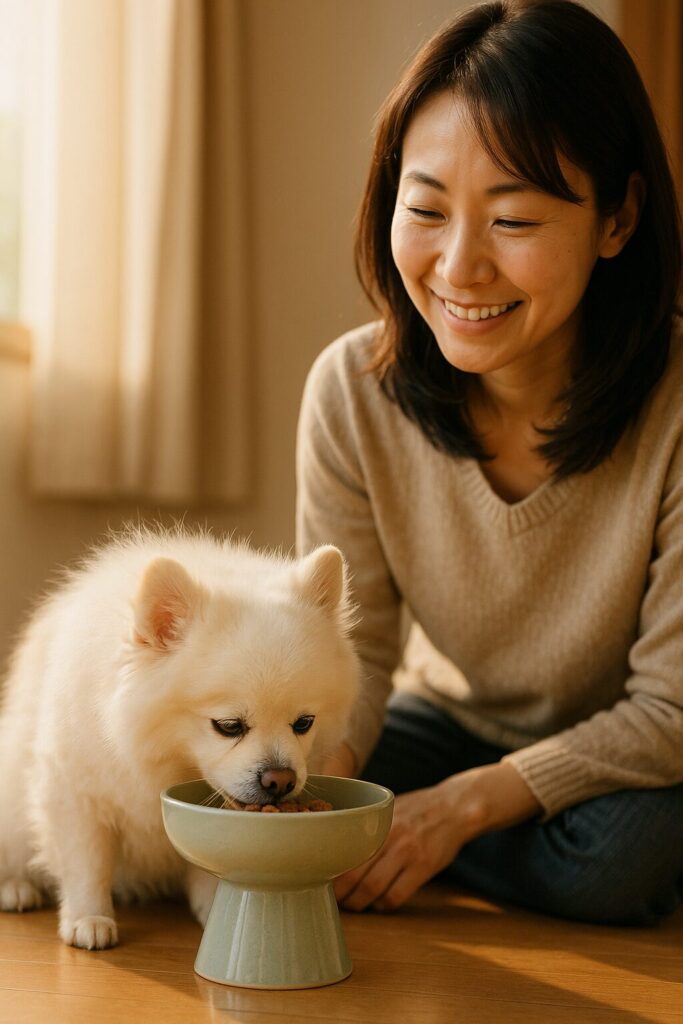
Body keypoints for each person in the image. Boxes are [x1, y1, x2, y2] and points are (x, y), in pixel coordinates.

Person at [295, 0, 683, 926]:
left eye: (512, 219)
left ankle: (437, 850)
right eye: (425, 209)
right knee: (261, 783)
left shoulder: (672, 404)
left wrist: (455, 815)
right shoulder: (352, 389)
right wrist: (316, 796)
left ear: (617, 217)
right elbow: (350, 656)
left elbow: (671, 710)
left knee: (621, 857)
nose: (458, 267)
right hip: (445, 727)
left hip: (630, 752)